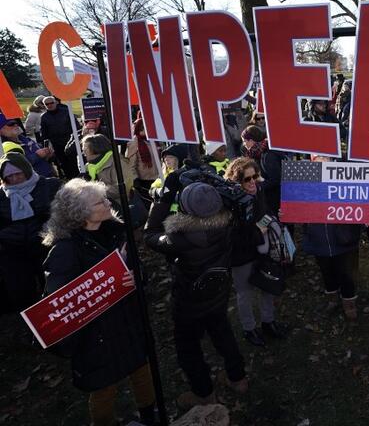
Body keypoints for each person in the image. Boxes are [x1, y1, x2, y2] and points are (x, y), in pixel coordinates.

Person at [41, 179, 155, 426]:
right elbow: (59, 302)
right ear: (81, 213)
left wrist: (136, 278)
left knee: (142, 371)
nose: (108, 203)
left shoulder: (116, 233)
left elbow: (139, 269)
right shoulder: (65, 251)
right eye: (100, 201)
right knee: (104, 387)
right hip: (97, 336)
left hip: (128, 321)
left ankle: (149, 415)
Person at [145, 181, 247, 409]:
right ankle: (238, 378)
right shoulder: (228, 223)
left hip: (189, 301)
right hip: (218, 292)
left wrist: (163, 199)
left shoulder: (180, 238)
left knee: (187, 347)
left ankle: (203, 394)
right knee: (222, 332)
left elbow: (150, 234)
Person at [224, 158, 286, 345]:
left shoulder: (259, 191)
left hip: (262, 249)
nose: (252, 182)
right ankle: (249, 329)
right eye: (246, 179)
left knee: (268, 287)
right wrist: (258, 233)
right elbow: (231, 238)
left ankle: (268, 322)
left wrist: (274, 218)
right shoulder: (229, 202)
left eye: (255, 177)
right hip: (241, 256)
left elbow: (265, 214)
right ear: (237, 181)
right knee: (245, 293)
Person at [302, 155, 362, 320]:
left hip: (343, 239)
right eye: (318, 161)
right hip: (318, 239)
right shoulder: (305, 184)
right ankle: (332, 298)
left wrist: (365, 215)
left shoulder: (346, 179)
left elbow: (360, 201)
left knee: (346, 273)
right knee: (326, 272)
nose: (322, 165)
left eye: (325, 160)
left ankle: (349, 302)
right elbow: (296, 207)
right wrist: (286, 212)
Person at [0, 152, 61, 312]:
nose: (14, 179)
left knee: (53, 286)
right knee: (22, 293)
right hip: (13, 252)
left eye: (17, 174)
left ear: (26, 170)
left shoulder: (49, 186)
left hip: (46, 245)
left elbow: (61, 213)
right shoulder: (1, 196)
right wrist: (7, 235)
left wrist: (48, 228)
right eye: (9, 176)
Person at [81, 134, 134, 209]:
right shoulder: (89, 166)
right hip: (99, 206)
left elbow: (122, 188)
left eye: (85, 150)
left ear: (96, 149)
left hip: (120, 207)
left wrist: (94, 191)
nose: (84, 154)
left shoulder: (118, 162)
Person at [0, 112, 54, 177]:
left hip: (48, 175)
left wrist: (47, 154)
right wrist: (37, 155)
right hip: (34, 182)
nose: (16, 125)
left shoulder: (25, 139)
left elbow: (40, 152)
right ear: (1, 130)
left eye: (16, 123)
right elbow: (16, 166)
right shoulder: (3, 148)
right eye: (11, 124)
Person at [40, 95, 80, 179]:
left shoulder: (66, 112)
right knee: (62, 162)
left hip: (70, 140)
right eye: (47, 104)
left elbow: (76, 125)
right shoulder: (44, 117)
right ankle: (69, 178)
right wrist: (46, 146)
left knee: (74, 160)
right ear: (44, 105)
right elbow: (44, 133)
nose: (50, 105)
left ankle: (77, 176)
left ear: (56, 103)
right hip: (56, 143)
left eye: (51, 103)